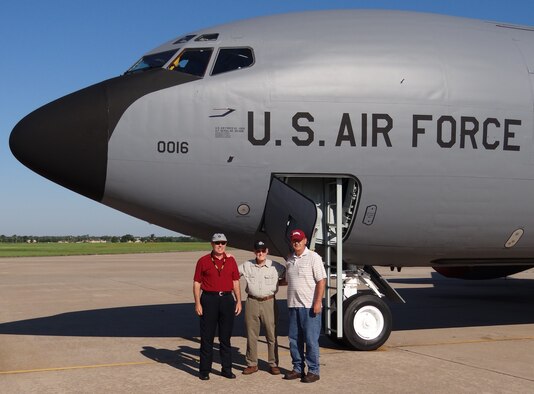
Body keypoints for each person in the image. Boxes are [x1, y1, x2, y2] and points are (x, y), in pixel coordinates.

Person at [193, 233, 242, 381]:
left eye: (223, 243)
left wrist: (238, 301)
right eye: (217, 243)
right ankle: (204, 370)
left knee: (225, 338)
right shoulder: (203, 261)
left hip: (227, 299)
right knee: (207, 337)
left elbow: (236, 282)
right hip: (209, 299)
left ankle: (226, 369)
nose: (220, 245)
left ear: (226, 244)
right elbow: (196, 284)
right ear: (212, 244)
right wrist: (197, 303)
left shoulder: (231, 261)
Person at [283, 229, 327, 383]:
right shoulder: (290, 259)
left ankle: (314, 370)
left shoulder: (314, 257)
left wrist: (318, 302)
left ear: (305, 240)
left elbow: (321, 281)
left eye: (299, 240)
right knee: (294, 339)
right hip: (293, 305)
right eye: (294, 240)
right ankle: (297, 368)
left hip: (309, 306)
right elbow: (287, 280)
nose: (296, 242)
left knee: (311, 340)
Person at [239, 240, 286, 375]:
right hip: (252, 302)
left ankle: (273, 363)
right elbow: (233, 274)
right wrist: (228, 259)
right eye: (258, 251)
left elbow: (288, 277)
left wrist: (275, 285)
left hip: (269, 302)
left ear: (267, 251)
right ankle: (252, 363)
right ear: (254, 252)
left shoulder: (275, 266)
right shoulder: (247, 265)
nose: (260, 253)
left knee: (271, 334)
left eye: (263, 251)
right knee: (251, 334)